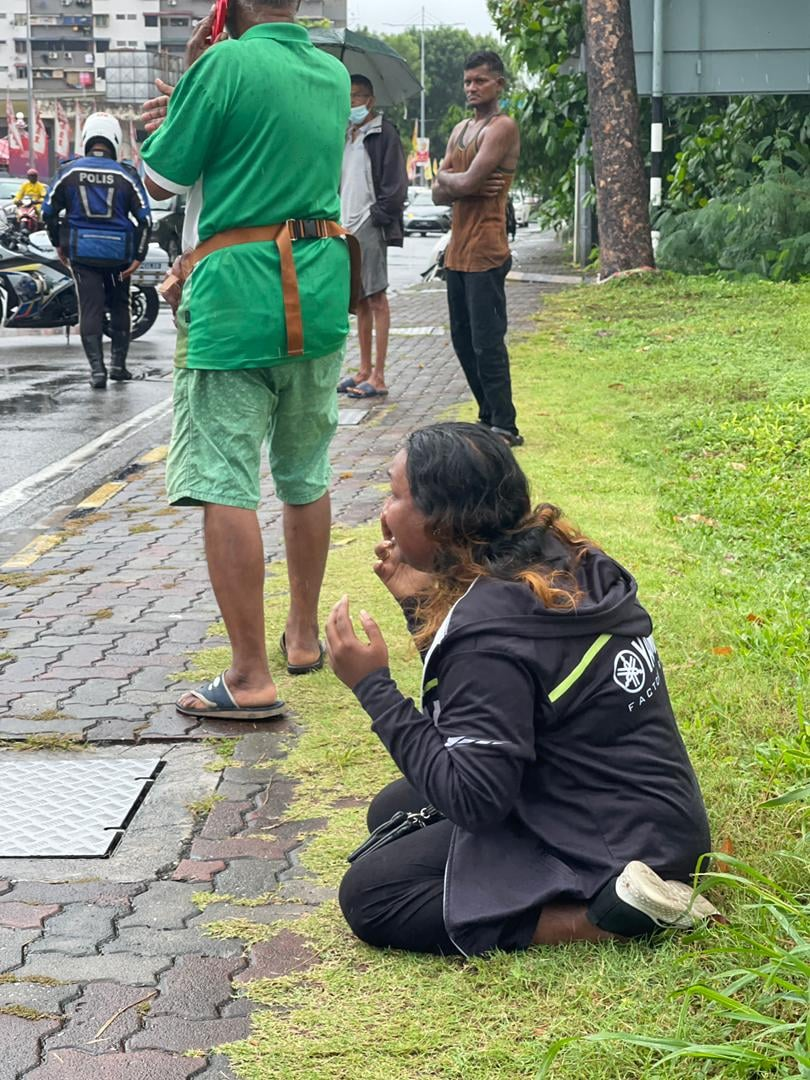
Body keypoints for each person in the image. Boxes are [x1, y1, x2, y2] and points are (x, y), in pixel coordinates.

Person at [326, 422, 716, 957]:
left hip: (617, 846)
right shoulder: (558, 554)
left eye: (395, 495)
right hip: (660, 819)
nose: (384, 512)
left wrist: (372, 687)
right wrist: (421, 609)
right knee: (394, 808)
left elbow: (474, 800)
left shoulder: (487, 630)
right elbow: (483, 709)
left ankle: (607, 916)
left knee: (374, 894)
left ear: (442, 522)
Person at [139, 0, 352, 719]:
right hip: (319, 292)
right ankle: (301, 636)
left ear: (228, 10)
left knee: (225, 478)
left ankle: (249, 676)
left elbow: (163, 179)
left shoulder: (222, 64)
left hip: (235, 298)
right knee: (304, 469)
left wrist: (192, 81)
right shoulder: (329, 72)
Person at [432, 52, 523, 448]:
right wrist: (454, 181)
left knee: (488, 340)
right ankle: (486, 414)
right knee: (462, 339)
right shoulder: (460, 130)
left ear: (498, 84)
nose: (472, 88)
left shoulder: (502, 128)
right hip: (457, 251)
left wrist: (454, 181)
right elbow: (440, 190)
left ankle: (505, 423)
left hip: (487, 249)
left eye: (480, 81)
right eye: (468, 81)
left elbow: (465, 181)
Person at [42, 115, 151, 389]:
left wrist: (58, 243)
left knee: (89, 308)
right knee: (118, 305)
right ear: (115, 140)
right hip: (118, 259)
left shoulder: (68, 171)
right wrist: (138, 256)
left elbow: (48, 213)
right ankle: (118, 367)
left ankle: (97, 372)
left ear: (87, 138)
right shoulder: (127, 174)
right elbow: (145, 221)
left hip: (83, 256)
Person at [338, 74, 408, 400]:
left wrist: (378, 217)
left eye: (357, 97)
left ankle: (379, 376)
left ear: (370, 100)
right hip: (346, 225)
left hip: (370, 222)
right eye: (348, 97)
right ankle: (364, 369)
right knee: (361, 299)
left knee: (377, 297)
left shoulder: (384, 133)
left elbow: (395, 187)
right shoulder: (347, 136)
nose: (352, 103)